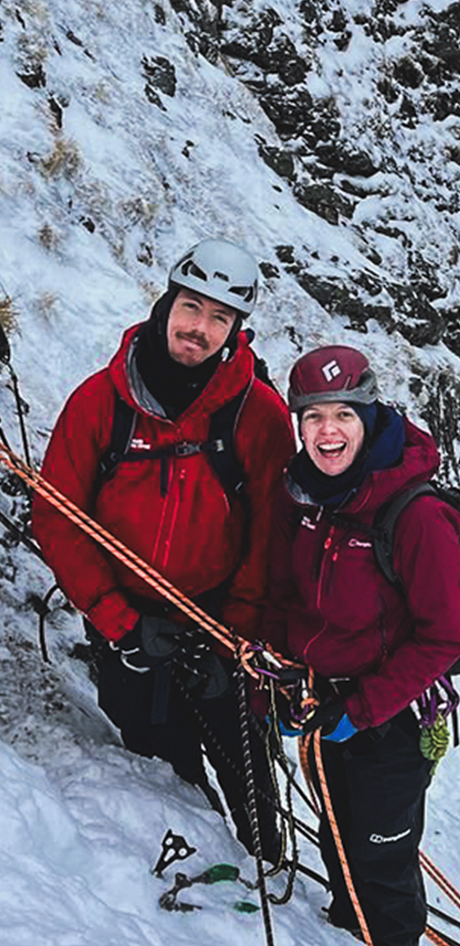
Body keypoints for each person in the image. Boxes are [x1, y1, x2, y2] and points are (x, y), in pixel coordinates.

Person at [32, 237, 293, 859]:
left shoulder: (257, 416)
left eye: (220, 318)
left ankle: (269, 869)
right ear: (168, 301)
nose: (200, 329)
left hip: (219, 621)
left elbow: (273, 533)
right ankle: (199, 871)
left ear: (235, 330)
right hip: (126, 624)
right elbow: (57, 516)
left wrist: (234, 632)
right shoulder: (102, 401)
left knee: (249, 778)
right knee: (163, 773)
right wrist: (120, 623)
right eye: (192, 307)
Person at [264, 344, 460, 946]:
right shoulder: (305, 497)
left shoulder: (415, 515)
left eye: (344, 415)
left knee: (382, 847)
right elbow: (287, 597)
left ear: (369, 415)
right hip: (326, 700)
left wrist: (362, 706)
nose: (329, 432)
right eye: (314, 416)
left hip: (392, 716)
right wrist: (283, 672)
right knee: (336, 829)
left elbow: (447, 636)